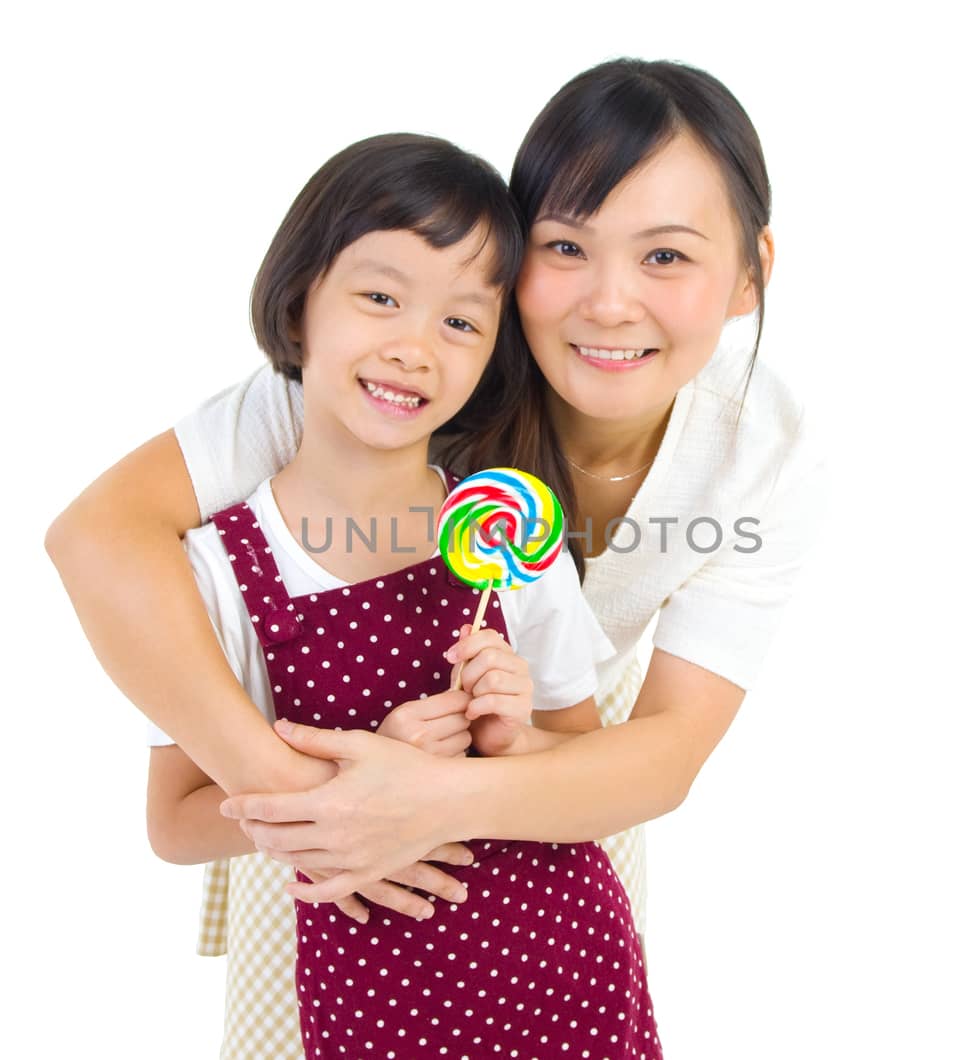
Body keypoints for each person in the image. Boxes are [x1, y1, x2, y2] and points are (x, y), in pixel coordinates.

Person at [47, 58, 821, 1059]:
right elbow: (98, 537)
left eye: (666, 256)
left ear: (752, 270)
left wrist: (451, 781)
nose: (610, 301)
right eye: (565, 246)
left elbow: (657, 749)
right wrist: (313, 799)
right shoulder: (367, 391)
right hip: (325, 867)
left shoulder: (761, 453)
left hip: (562, 809)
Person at [137, 131, 661, 1058]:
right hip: (378, 1005)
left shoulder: (509, 536)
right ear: (301, 305)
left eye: (461, 322)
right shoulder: (218, 569)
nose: (416, 348)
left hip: (567, 976)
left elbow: (590, 775)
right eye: (380, 297)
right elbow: (174, 826)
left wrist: (511, 740)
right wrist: (344, 786)